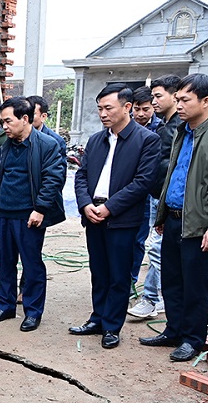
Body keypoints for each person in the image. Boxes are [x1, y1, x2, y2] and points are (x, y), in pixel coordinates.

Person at [141, 73, 208, 361]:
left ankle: (193, 339)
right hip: (174, 219)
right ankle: (173, 330)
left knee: (195, 285)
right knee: (171, 280)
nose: (180, 105)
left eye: (185, 100)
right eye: (177, 100)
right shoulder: (181, 132)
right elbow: (174, 177)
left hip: (200, 226)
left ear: (206, 101)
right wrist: (162, 215)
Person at [69, 84, 160, 349]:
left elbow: (143, 182)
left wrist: (110, 207)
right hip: (93, 214)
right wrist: (86, 204)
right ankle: (97, 318)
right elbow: (82, 176)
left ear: (127, 107)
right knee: (99, 271)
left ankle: (111, 326)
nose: (103, 114)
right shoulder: (97, 140)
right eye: (99, 108)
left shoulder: (146, 140)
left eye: (108, 108)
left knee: (119, 275)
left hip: (122, 218)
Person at [0, 97, 66, 331]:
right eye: (2, 122)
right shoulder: (7, 144)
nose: (4, 127)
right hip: (6, 213)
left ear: (24, 119)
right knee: (5, 262)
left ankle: (32, 312)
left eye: (8, 121)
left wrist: (40, 209)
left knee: (31, 265)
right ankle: (6, 305)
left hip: (29, 216)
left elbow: (53, 179)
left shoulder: (47, 144)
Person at [128, 74, 181, 320]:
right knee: (155, 247)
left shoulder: (178, 128)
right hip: (157, 197)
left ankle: (151, 299)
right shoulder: (167, 126)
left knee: (157, 248)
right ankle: (156, 299)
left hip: (167, 199)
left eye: (158, 96)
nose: (155, 101)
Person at [127, 85, 163, 284]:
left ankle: (131, 278)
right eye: (137, 109)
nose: (140, 114)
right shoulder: (124, 127)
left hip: (148, 193)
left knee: (139, 239)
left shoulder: (160, 129)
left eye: (146, 109)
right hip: (126, 189)